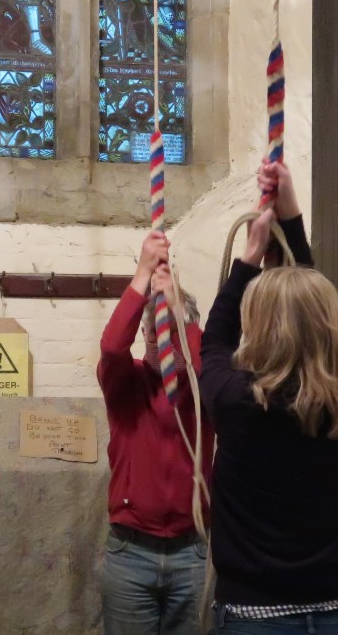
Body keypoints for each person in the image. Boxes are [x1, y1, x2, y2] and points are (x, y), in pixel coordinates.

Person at [200, 160, 338, 634]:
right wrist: (292, 217)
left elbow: (213, 342)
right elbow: (308, 303)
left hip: (257, 617)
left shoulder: (238, 404)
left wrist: (248, 259)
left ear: (257, 327)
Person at [96, 229, 214, 634]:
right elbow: (112, 347)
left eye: (170, 336)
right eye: (151, 333)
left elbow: (208, 367)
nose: (159, 343)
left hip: (191, 553)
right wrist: (143, 275)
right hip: (131, 553)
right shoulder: (127, 383)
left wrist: (181, 314)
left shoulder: (203, 392)